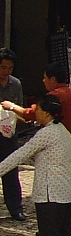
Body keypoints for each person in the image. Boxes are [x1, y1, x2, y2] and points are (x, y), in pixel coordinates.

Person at [0, 94, 71, 236]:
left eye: (39, 110)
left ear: (47, 113)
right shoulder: (63, 131)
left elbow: (21, 154)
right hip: (66, 192)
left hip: (51, 193)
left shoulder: (47, 133)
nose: (37, 113)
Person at [7, 64, 71, 135]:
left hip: (54, 138)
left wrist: (11, 106)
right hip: (68, 137)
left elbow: (32, 114)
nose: (43, 80)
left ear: (52, 79)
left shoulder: (54, 96)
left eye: (45, 77)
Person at [0, 49, 26, 220]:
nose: (6, 71)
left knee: (10, 171)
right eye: (3, 67)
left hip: (8, 135)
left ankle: (15, 208)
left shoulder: (15, 84)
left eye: (9, 68)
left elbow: (20, 109)